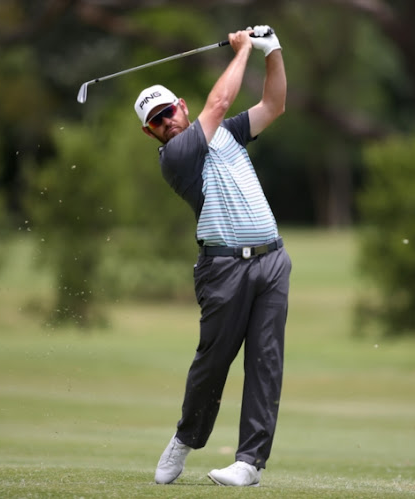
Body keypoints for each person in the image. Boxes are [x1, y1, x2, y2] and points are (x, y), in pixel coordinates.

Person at [134, 25, 290, 487]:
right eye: (157, 121)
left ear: (181, 104)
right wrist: (242, 50)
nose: (167, 122)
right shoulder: (176, 156)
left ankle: (249, 463)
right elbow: (218, 103)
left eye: (169, 111)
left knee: (266, 362)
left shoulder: (230, 135)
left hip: (272, 261)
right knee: (213, 362)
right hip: (224, 268)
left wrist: (272, 51)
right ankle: (186, 438)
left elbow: (274, 106)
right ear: (151, 133)